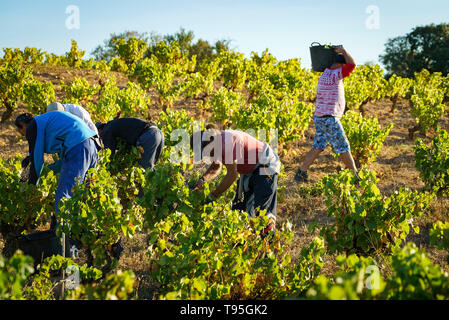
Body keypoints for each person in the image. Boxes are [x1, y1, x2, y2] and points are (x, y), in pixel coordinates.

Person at [190, 125, 281, 238]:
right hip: (249, 171)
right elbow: (215, 167)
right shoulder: (215, 141)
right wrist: (202, 180)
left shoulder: (226, 143)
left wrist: (214, 194)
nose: (206, 156)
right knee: (240, 213)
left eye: (205, 153)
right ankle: (249, 249)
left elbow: (232, 175)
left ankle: (269, 249)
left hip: (265, 165)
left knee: (262, 214)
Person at [14, 111, 99, 228]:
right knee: (83, 196)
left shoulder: (33, 125)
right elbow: (63, 160)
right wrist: (49, 171)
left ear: (23, 125)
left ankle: (63, 241)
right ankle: (82, 237)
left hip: (79, 147)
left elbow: (37, 159)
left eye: (22, 133)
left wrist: (32, 186)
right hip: (91, 145)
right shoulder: (48, 123)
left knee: (63, 197)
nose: (26, 136)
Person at [295, 45, 360, 184]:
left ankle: (301, 172)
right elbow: (353, 64)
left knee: (318, 147)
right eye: (342, 64)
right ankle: (356, 177)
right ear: (338, 64)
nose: (344, 66)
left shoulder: (325, 73)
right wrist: (344, 51)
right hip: (330, 118)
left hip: (320, 117)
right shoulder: (335, 74)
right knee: (344, 147)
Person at [96, 117, 165, 171]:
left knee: (144, 170)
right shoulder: (113, 125)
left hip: (148, 136)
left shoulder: (106, 131)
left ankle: (146, 189)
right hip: (158, 133)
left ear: (99, 130)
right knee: (152, 171)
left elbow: (109, 154)